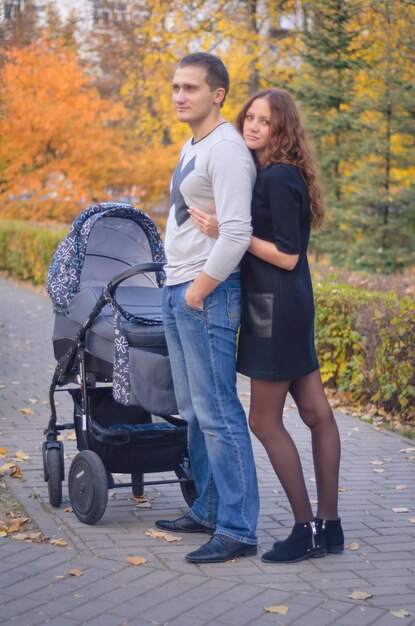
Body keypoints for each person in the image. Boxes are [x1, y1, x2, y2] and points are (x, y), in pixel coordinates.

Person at [189, 89, 343, 563]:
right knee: (316, 413)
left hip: (272, 308)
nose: (253, 127)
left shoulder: (276, 176)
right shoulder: (280, 172)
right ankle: (329, 527)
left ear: (283, 130)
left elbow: (287, 254)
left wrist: (228, 233)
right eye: (249, 117)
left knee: (262, 420)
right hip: (288, 303)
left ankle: (305, 530)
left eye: (265, 121)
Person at [155, 52, 260, 564]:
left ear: (217, 94)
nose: (179, 95)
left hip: (207, 294)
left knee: (219, 412)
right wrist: (176, 284)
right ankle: (207, 508)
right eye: (176, 86)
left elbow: (237, 232)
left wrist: (198, 290)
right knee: (195, 411)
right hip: (178, 287)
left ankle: (238, 528)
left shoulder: (228, 151)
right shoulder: (191, 143)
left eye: (190, 88)